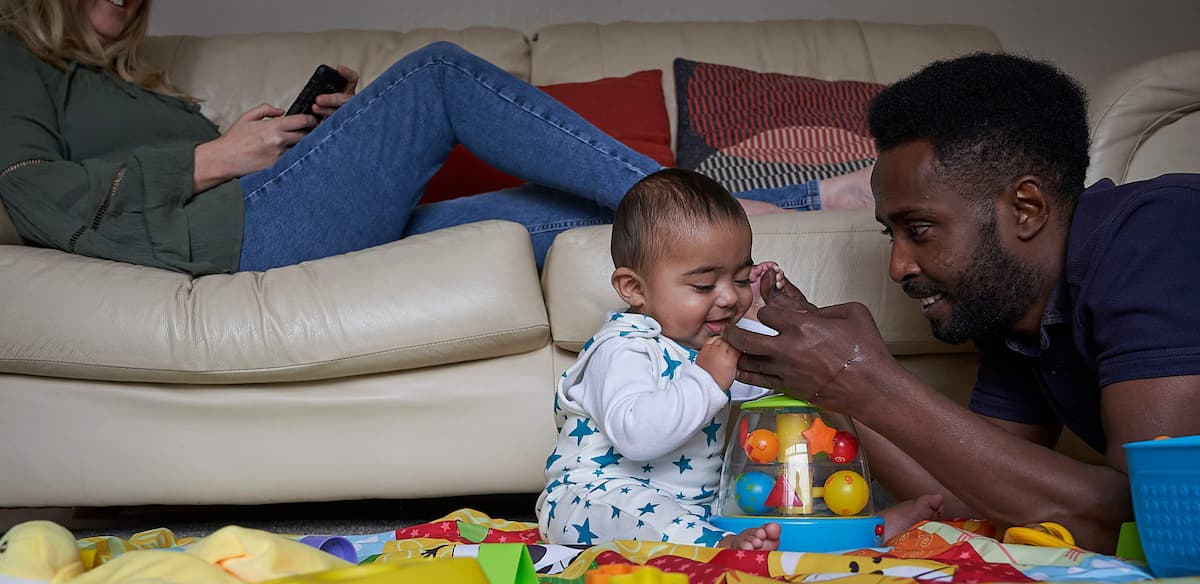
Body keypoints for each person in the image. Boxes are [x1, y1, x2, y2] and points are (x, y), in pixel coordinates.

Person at [0, 0, 871, 276]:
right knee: (439, 75)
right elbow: (31, 189)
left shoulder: (123, 76)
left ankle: (799, 198)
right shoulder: (12, 56)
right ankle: (713, 202)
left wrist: (288, 143)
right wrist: (217, 156)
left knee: (544, 208)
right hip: (244, 231)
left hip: (271, 211)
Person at [722, 52, 1200, 555]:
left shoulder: (1158, 233)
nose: (898, 265)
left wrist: (868, 379)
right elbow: (973, 501)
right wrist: (830, 383)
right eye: (892, 235)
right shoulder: (1009, 304)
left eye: (919, 229)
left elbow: (1153, 520)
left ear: (1027, 208)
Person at [536, 169, 940, 550]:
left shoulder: (712, 343)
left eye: (741, 279)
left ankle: (863, 529)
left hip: (696, 510)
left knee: (763, 512)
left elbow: (777, 378)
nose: (729, 297)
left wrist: (769, 315)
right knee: (659, 518)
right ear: (633, 288)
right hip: (594, 500)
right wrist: (707, 380)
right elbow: (638, 437)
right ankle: (720, 547)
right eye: (704, 284)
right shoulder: (623, 347)